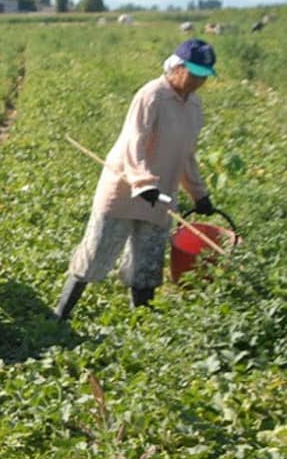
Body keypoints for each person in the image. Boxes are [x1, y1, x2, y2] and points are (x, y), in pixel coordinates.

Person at [55, 39, 217, 319]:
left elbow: (186, 154)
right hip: (124, 190)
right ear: (177, 68)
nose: (197, 82)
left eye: (203, 77)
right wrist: (143, 183)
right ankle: (59, 315)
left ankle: (142, 325)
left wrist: (198, 193)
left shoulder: (194, 107)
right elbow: (135, 142)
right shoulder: (152, 95)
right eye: (193, 74)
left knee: (148, 263)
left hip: (161, 196)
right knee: (95, 253)